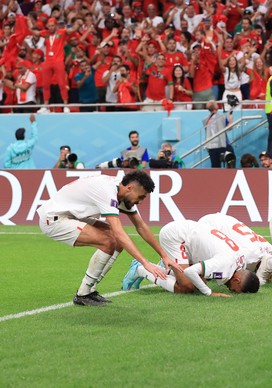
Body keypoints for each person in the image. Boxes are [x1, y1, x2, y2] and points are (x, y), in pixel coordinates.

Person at [36, 171, 179, 306]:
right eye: (141, 197)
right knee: (109, 241)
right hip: (54, 218)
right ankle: (83, 294)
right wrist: (145, 263)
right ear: (130, 188)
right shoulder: (107, 192)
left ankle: (89, 290)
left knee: (116, 242)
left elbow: (140, 226)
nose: (140, 202)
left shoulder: (122, 192)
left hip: (73, 214)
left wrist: (164, 255)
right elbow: (119, 232)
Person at [121, 220, 260, 296]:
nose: (232, 291)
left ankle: (162, 268)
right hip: (176, 237)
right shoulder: (224, 265)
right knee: (187, 287)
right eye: (236, 289)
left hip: (190, 232)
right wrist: (209, 293)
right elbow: (190, 272)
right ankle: (139, 269)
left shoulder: (240, 261)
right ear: (237, 279)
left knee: (198, 282)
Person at [203, 100, 233, 168]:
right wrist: (231, 118)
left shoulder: (205, 120)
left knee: (215, 167)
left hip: (211, 147)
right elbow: (229, 128)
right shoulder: (222, 117)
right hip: (222, 145)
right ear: (216, 107)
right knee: (231, 160)